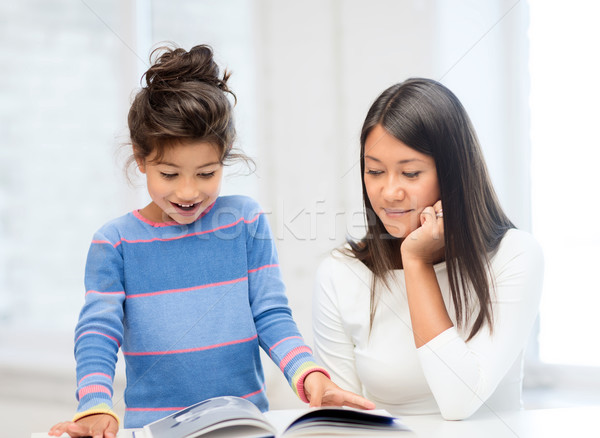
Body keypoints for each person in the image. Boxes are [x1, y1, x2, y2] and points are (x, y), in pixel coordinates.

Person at [49, 44, 374, 438]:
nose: (188, 192)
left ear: (225, 158)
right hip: (152, 430)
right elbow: (98, 334)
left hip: (244, 427)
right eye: (169, 174)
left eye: (206, 174)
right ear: (140, 158)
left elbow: (271, 316)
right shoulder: (115, 243)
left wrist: (310, 375)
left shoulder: (245, 222)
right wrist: (94, 406)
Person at [312, 78, 543, 421]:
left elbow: (459, 402)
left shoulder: (515, 255)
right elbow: (343, 419)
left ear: (453, 174)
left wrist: (416, 262)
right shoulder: (340, 272)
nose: (389, 192)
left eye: (410, 173)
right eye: (374, 171)